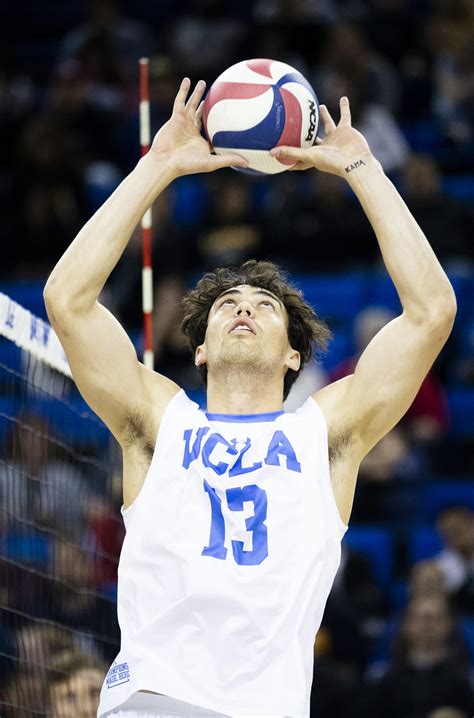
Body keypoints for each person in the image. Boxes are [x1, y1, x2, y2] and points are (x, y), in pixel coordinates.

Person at [43, 78, 456, 717]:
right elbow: (66, 300)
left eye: (263, 306)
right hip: (155, 702)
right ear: (200, 349)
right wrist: (158, 164)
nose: (244, 309)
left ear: (294, 355)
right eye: (228, 305)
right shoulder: (159, 418)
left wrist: (362, 167)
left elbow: (432, 312)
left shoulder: (324, 432)